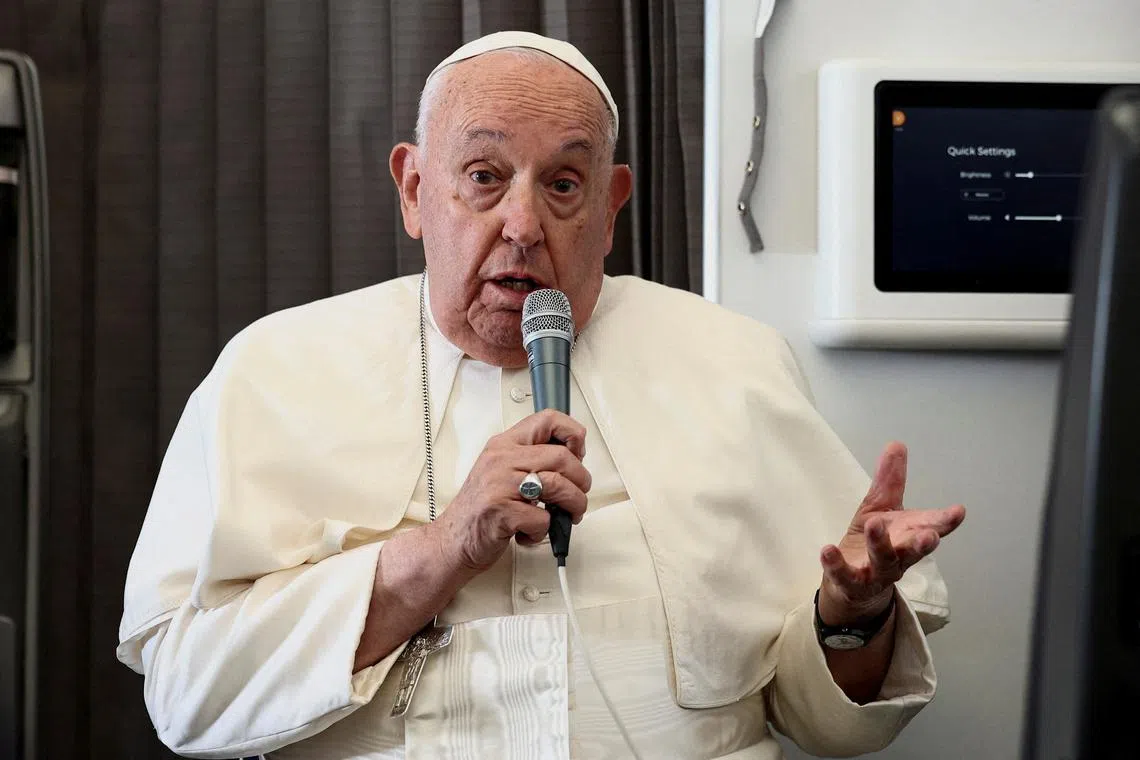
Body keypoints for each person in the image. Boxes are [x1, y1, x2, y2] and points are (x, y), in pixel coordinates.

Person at [117, 31, 966, 760]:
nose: (522, 226)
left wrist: (852, 616)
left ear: (611, 205)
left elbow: (826, 726)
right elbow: (188, 699)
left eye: (562, 185)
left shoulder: (735, 362)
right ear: (415, 190)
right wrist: (443, 548)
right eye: (484, 176)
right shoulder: (273, 369)